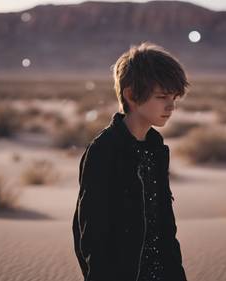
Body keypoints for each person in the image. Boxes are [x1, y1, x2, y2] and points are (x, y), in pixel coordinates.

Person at [72, 42, 189, 281]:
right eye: (162, 96)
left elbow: (165, 226)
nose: (171, 106)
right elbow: (90, 235)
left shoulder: (156, 148)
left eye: (174, 97)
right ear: (131, 95)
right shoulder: (103, 151)